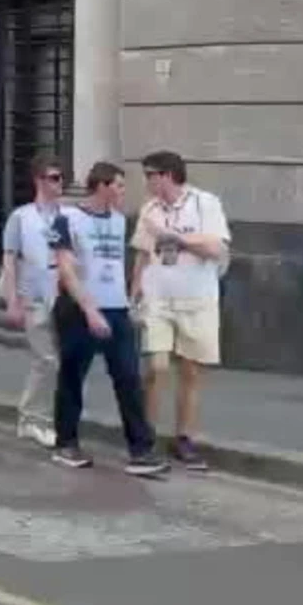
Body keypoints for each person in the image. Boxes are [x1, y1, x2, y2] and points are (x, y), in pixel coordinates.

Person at [45, 162, 167, 475]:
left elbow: (112, 265)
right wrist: (88, 309)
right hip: (77, 309)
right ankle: (66, 442)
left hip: (116, 308)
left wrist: (129, 301)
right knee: (73, 376)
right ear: (102, 186)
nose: (124, 192)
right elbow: (67, 270)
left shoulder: (117, 220)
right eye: (120, 185)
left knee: (128, 377)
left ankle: (141, 449)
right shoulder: (67, 219)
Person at [131, 150, 230, 472]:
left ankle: (184, 437)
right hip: (158, 298)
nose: (146, 181)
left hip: (197, 298)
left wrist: (176, 238)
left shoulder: (205, 203)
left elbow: (216, 248)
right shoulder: (149, 210)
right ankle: (144, 436)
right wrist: (133, 293)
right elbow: (143, 255)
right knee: (156, 367)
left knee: (191, 370)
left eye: (150, 175)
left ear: (168, 175)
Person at [0, 154, 64, 449]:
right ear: (39, 181)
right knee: (46, 359)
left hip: (60, 296)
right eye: (54, 177)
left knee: (54, 361)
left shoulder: (66, 215)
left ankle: (42, 416)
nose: (60, 183)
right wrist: (13, 300)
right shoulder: (21, 217)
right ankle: (32, 418)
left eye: (61, 177)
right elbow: (10, 260)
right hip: (32, 296)